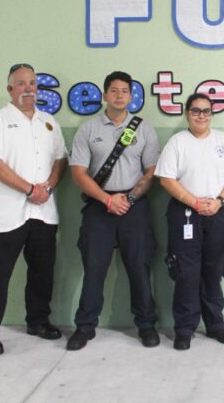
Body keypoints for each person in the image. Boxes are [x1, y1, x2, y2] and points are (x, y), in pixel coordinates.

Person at [0, 63, 68, 356]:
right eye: (22, 83)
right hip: (7, 215)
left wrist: (49, 186)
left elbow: (60, 159)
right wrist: (30, 189)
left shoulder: (49, 122)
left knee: (42, 272)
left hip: (43, 212)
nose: (28, 88)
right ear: (10, 89)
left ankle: (38, 321)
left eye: (32, 83)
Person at [66, 71, 161, 350]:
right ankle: (84, 327)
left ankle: (146, 325)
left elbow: (152, 171)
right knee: (94, 269)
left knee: (139, 268)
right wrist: (108, 200)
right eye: (114, 90)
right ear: (105, 95)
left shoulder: (144, 129)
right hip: (99, 206)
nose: (120, 95)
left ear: (131, 97)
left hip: (134, 206)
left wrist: (128, 198)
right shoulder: (89, 130)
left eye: (125, 91)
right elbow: (78, 174)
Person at [156, 93, 224, 351]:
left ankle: (215, 325)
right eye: (196, 111)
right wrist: (194, 202)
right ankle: (184, 329)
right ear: (187, 113)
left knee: (214, 269)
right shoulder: (177, 142)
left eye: (206, 111)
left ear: (212, 115)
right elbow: (166, 180)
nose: (201, 116)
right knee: (186, 272)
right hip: (186, 213)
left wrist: (219, 200)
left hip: (218, 212)